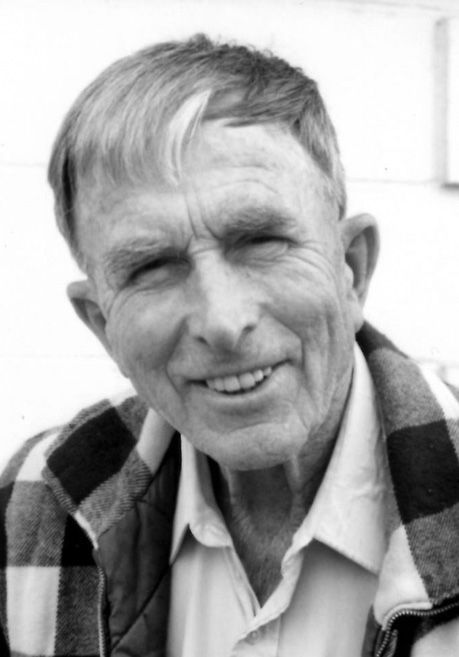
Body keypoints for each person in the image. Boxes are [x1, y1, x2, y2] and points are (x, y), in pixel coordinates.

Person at [1, 33, 459, 657]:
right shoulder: (37, 503)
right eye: (152, 267)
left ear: (351, 269)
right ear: (103, 326)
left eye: (261, 242)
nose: (222, 321)